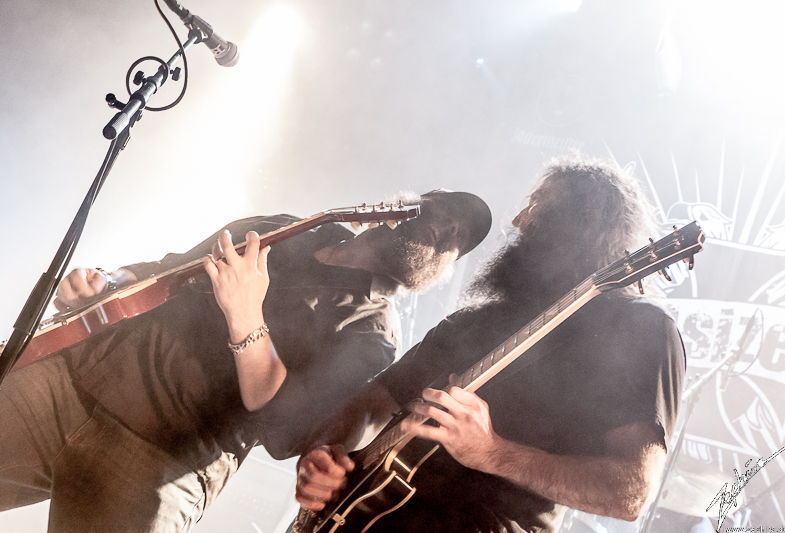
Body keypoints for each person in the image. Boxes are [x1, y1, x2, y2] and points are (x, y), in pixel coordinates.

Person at [0, 190, 492, 532]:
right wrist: (109, 281)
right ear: (408, 203)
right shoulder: (287, 228)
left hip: (155, 462)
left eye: (458, 237)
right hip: (69, 384)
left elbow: (284, 431)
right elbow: (169, 269)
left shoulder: (374, 334)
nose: (447, 227)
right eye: (444, 209)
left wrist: (246, 316)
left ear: (446, 267)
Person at [295, 156, 686, 533]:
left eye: (536, 205)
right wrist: (325, 452)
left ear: (578, 224)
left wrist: (492, 451)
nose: (517, 221)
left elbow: (630, 492)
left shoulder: (641, 330)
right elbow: (372, 402)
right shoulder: (473, 321)